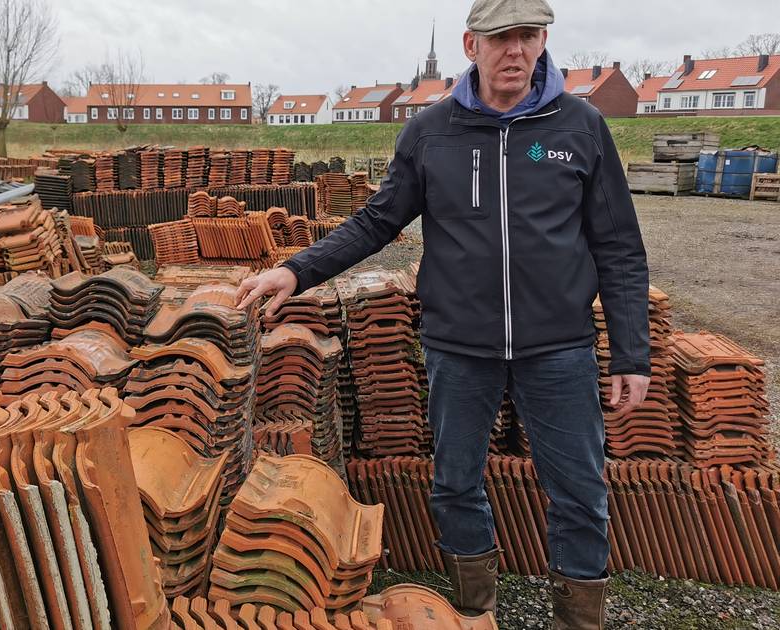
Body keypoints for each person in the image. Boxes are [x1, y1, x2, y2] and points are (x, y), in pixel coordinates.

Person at [235, 0, 650, 627]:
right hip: (459, 346)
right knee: (456, 482)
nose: (515, 50)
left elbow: (619, 247)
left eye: (529, 36)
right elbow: (378, 220)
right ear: (470, 46)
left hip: (558, 346)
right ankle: (475, 607)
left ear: (543, 42)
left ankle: (577, 618)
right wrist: (296, 269)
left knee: (581, 493)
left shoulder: (581, 126)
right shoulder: (433, 131)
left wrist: (631, 352)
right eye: (500, 37)